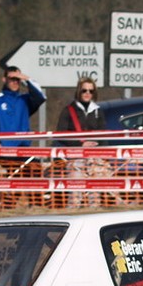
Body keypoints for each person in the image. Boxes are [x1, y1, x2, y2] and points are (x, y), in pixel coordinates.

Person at [0, 66, 46, 208]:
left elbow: (41, 97)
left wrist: (26, 79)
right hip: (5, 149)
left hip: (24, 149)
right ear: (4, 79)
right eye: (12, 79)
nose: (15, 82)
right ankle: (8, 207)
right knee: (17, 173)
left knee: (34, 168)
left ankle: (35, 206)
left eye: (17, 80)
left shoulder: (25, 100)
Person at [55, 77, 108, 208]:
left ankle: (94, 211)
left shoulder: (97, 111)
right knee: (75, 191)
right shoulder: (68, 110)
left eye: (91, 91)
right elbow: (60, 134)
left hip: (94, 157)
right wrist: (80, 144)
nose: (87, 93)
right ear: (79, 91)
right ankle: (73, 211)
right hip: (75, 157)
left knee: (95, 192)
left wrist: (97, 145)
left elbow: (104, 134)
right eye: (84, 90)